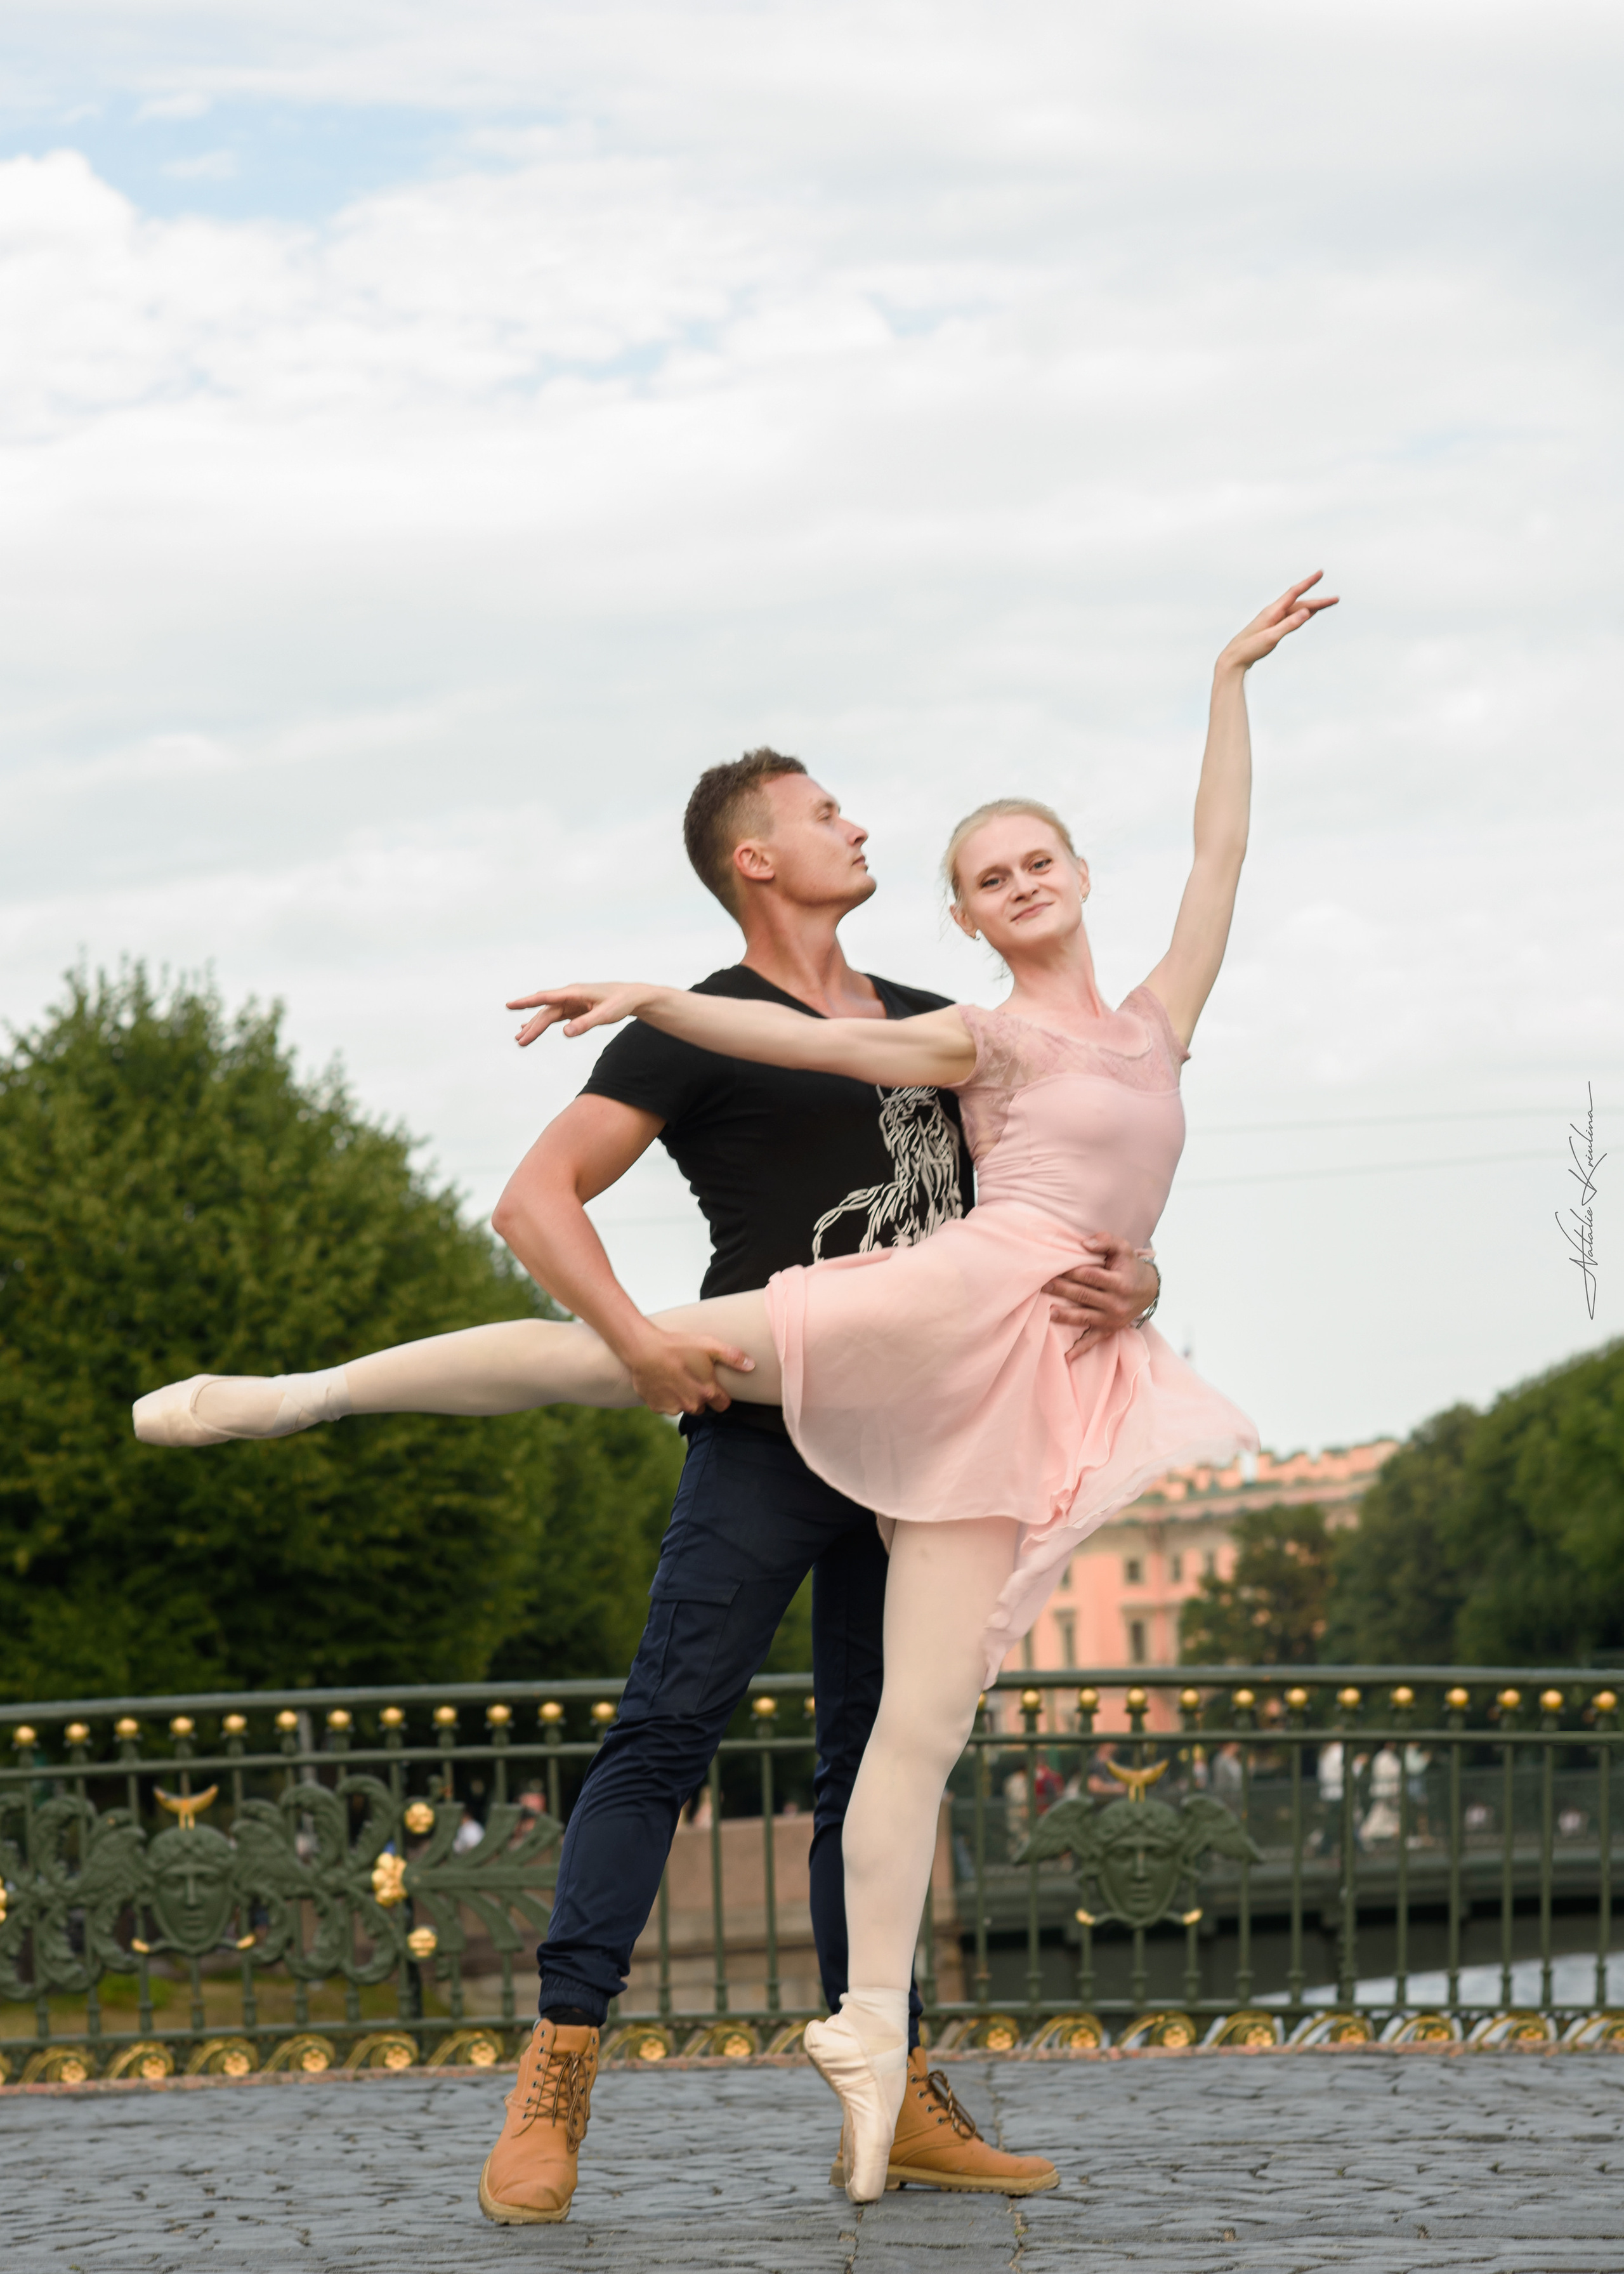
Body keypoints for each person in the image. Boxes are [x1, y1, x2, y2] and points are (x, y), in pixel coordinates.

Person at [134, 571, 1333, 2200]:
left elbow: (1067, 1179)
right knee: (664, 1732)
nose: (861, 826)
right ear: (753, 859)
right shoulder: (704, 1032)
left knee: (880, 1756)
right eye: (827, 812)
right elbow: (533, 1200)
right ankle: (554, 2075)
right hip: (766, 1423)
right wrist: (637, 1334)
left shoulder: (944, 1015)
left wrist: (1143, 1278)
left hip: (933, 1420)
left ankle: (891, 2079)